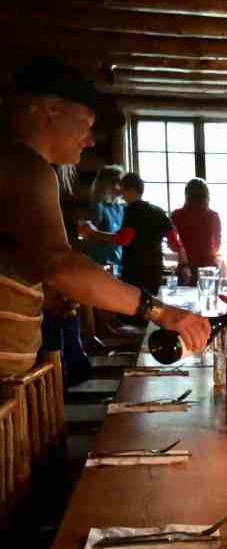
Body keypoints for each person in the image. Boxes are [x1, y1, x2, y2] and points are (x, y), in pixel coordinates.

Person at [0, 57, 208, 377]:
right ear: (51, 109)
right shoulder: (25, 166)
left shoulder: (16, 162)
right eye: (87, 121)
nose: (91, 139)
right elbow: (59, 264)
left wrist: (41, 296)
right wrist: (160, 311)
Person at [84, 172, 181, 300]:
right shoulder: (159, 211)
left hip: (134, 272)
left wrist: (93, 232)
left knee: (133, 312)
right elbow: (175, 244)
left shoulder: (132, 211)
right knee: (151, 308)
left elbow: (123, 239)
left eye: (123, 190)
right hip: (155, 272)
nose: (121, 195)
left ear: (131, 190)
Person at [170, 178, 221, 284]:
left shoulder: (176, 215)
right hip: (208, 268)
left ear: (187, 194)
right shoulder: (213, 216)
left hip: (186, 267)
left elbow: (173, 244)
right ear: (206, 195)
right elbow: (217, 245)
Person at [86, 164, 124, 272]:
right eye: (120, 183)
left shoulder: (121, 207)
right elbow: (90, 236)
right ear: (108, 184)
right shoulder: (98, 206)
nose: (123, 187)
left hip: (118, 263)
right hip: (102, 264)